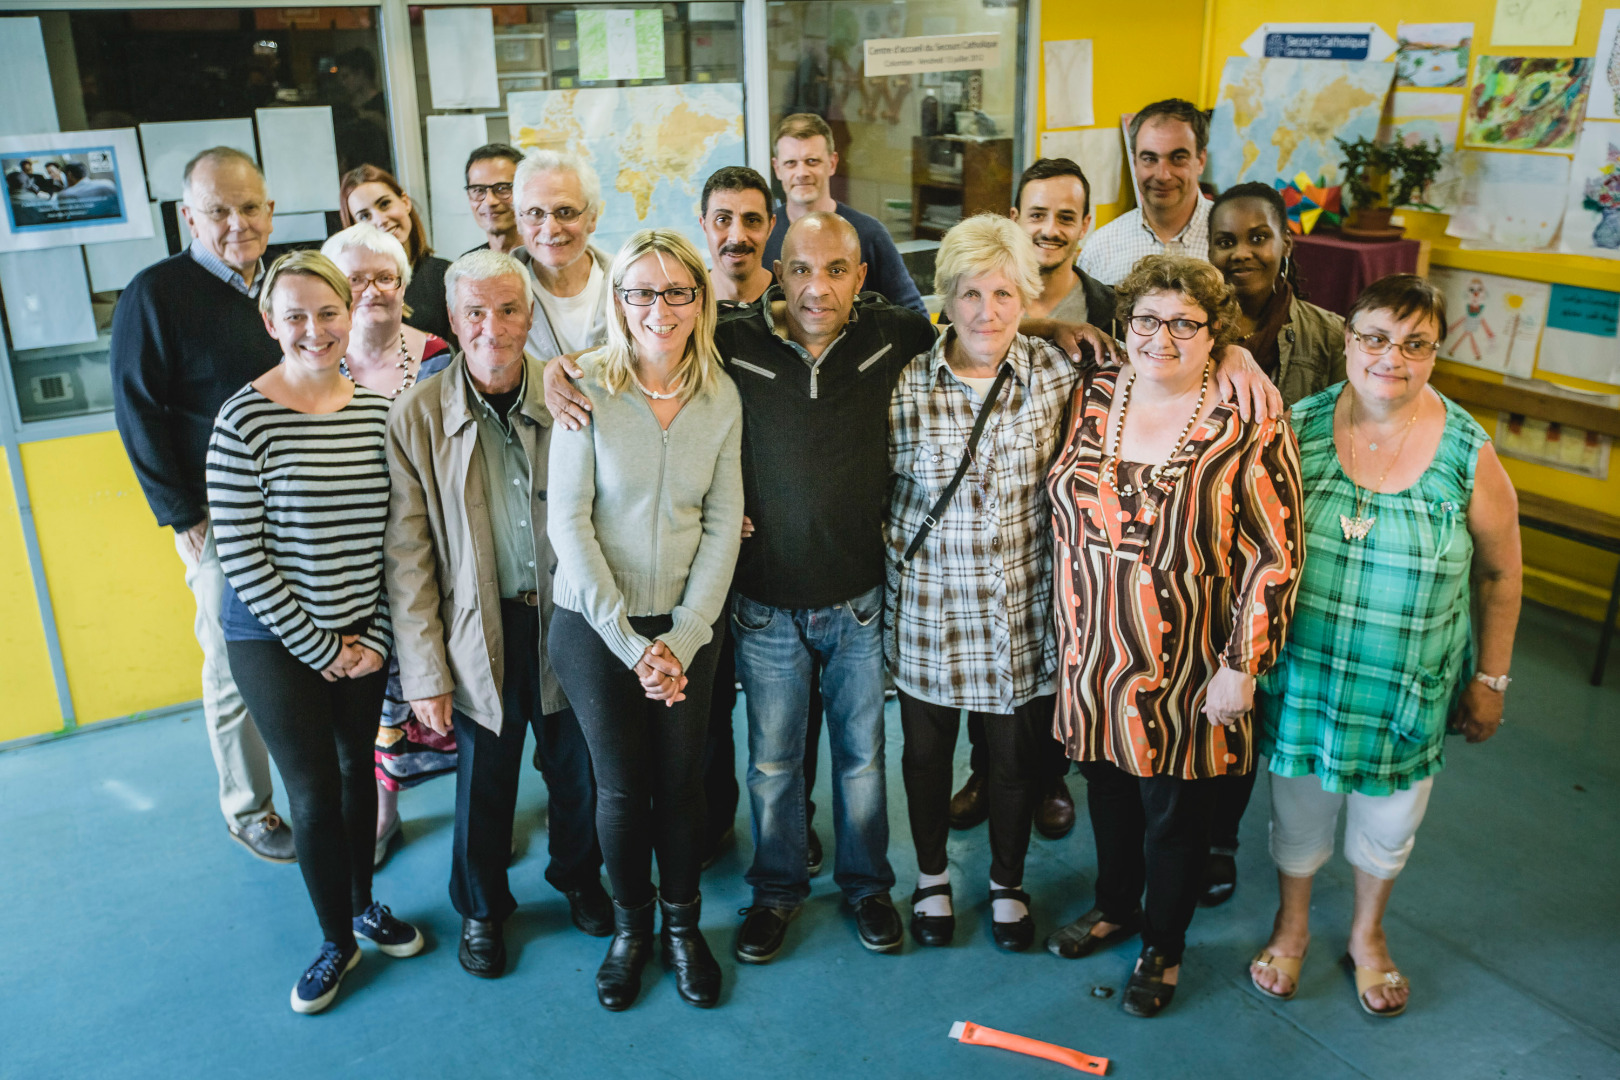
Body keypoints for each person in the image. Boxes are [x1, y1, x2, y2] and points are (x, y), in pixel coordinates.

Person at [548, 213, 935, 961]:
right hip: (711, 615)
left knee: (854, 760)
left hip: (833, 599)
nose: (815, 287)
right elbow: (573, 518)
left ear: (864, 277)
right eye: (798, 269)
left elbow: (980, 322)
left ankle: (850, 890)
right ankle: (729, 906)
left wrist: (1066, 327)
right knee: (755, 766)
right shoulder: (709, 350)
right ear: (775, 272)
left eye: (836, 270)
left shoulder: (883, 338)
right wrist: (553, 368)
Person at [1248, 275, 1521, 1018]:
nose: (1390, 357)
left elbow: (1500, 573)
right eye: (1373, 337)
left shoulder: (1469, 451)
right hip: (1307, 676)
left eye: (1414, 344)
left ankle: (1368, 934)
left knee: (1389, 823)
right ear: (1347, 341)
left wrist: (1490, 680)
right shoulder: (1295, 428)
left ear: (1435, 353)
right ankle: (1292, 923)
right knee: (1297, 811)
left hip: (1408, 687)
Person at [1045, 254, 1303, 1018]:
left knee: (1176, 814)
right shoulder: (1092, 394)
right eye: (1147, 320)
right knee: (1111, 796)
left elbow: (1276, 551)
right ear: (1125, 325)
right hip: (1092, 654)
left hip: (1189, 662)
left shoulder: (1246, 418)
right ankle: (1114, 907)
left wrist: (1244, 665)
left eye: (1185, 324)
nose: (1162, 336)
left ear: (1213, 334)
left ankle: (1164, 943)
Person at [206, 251, 424, 1015]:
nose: (314, 329)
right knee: (313, 788)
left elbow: (390, 536)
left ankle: (363, 902)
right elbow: (242, 555)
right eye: (294, 315)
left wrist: (371, 636)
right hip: (273, 640)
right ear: (271, 324)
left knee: (357, 769)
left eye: (327, 312)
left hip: (360, 630)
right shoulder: (244, 418)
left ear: (349, 313)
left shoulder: (374, 410)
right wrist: (324, 648)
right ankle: (337, 940)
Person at [386, 250, 609, 980]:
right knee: (486, 779)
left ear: (528, 317)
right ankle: (482, 907)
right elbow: (409, 556)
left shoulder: (568, 396)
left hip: (568, 618)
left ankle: (578, 878)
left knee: (578, 768)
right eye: (475, 312)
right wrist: (424, 672)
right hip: (478, 628)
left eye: (509, 310)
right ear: (453, 321)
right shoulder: (418, 415)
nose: (493, 327)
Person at [548, 230, 743, 1011]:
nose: (657, 309)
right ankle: (632, 930)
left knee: (683, 784)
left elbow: (726, 519)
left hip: (688, 622)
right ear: (616, 302)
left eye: (675, 292)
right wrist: (633, 646)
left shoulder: (721, 393)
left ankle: (682, 927)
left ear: (700, 300)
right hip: (597, 628)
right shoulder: (583, 386)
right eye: (638, 292)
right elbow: (570, 523)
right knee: (623, 789)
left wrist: (687, 635)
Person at [886, 214, 1083, 953]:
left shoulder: (1056, 375)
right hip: (931, 611)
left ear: (1026, 297)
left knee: (1012, 764)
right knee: (926, 759)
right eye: (970, 293)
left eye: (1004, 293)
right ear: (946, 298)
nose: (986, 312)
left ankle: (1006, 882)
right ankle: (931, 877)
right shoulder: (908, 386)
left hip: (1020, 614)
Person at [110, 146, 293, 863]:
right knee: (232, 667)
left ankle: (326, 792)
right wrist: (183, 514)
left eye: (250, 207)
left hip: (305, 509)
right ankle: (249, 808)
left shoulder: (286, 283)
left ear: (270, 209)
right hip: (220, 520)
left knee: (306, 659)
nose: (237, 223)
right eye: (218, 211)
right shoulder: (155, 294)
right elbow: (137, 411)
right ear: (190, 216)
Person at [945, 155, 1121, 842]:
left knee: (1057, 657)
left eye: (1066, 217)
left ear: (1086, 225)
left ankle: (1048, 776)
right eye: (1038, 214)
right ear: (1016, 219)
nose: (1050, 229)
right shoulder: (980, 293)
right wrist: (1042, 328)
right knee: (986, 651)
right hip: (994, 515)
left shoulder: (1107, 304)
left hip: (1077, 521)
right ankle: (986, 771)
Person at [1198, 181, 1348, 906]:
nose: (1241, 252)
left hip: (1275, 552)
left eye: (1257, 237)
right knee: (1189, 695)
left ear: (1286, 243)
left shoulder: (1328, 336)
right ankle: (1178, 829)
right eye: (1225, 240)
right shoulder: (1189, 328)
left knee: (1245, 705)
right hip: (1193, 552)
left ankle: (1219, 839)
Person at [319, 223, 455, 866]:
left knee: (451, 683)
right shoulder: (316, 363)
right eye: (355, 279)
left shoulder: (439, 357)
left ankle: (479, 807)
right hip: (353, 558)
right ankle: (383, 809)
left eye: (386, 277)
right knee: (376, 694)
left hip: (436, 552)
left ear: (404, 285)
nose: (372, 290)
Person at [761, 113, 927, 314]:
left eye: (812, 161)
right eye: (791, 163)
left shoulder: (869, 233)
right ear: (777, 168)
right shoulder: (762, 235)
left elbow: (914, 314)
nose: (802, 172)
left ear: (832, 163)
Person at [1079, 99, 1212, 286]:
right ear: (1135, 162)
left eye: (1178, 158)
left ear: (1201, 160)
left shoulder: (1231, 241)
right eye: (1150, 158)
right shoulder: (1100, 249)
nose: (1163, 175)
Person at [513, 149, 614, 364]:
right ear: (519, 221)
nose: (550, 229)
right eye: (535, 213)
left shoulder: (630, 284)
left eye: (566, 212)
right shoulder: (498, 293)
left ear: (593, 217)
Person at [340, 164, 453, 345]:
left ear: (405, 202)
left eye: (384, 204)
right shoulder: (350, 287)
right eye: (364, 216)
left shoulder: (445, 274)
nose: (380, 220)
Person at [700, 165, 777, 310]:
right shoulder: (684, 307)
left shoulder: (792, 302)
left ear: (770, 226)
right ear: (704, 226)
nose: (737, 237)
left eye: (752, 220)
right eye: (722, 220)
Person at [464, 143, 526, 255]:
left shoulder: (549, 262)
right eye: (478, 190)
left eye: (502, 188)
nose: (489, 201)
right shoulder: (468, 267)